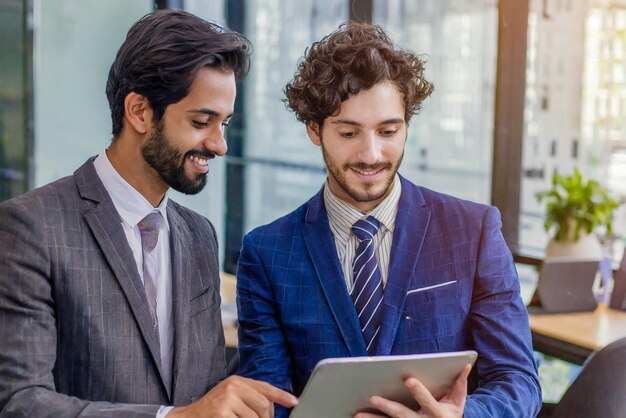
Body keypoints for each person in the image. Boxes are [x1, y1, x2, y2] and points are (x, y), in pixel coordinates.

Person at [0, 9, 296, 418]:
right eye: (201, 121)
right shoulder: (31, 227)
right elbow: (21, 403)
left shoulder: (199, 236)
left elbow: (207, 392)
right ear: (139, 111)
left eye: (224, 123)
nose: (219, 144)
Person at [236, 22, 541, 418]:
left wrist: (464, 416)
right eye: (349, 133)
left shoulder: (473, 231)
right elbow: (267, 401)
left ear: (406, 127)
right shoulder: (267, 252)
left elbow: (518, 379)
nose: (372, 154)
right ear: (315, 130)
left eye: (388, 131)